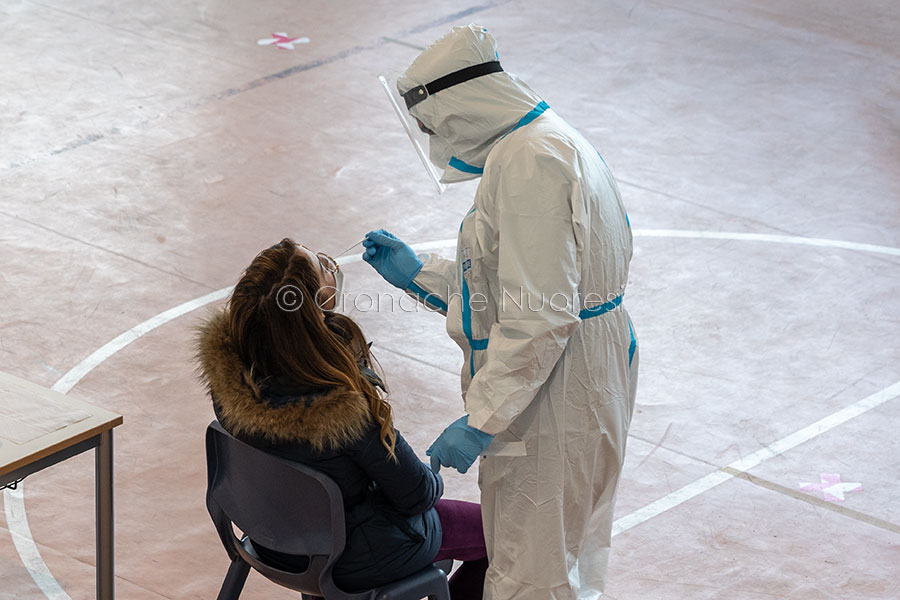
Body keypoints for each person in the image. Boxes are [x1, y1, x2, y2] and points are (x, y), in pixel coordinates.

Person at [362, 24, 639, 600]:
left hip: (556, 388)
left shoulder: (529, 163)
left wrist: (481, 419)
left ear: (460, 107)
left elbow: (540, 315)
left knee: (531, 565)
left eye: (434, 124)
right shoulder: (544, 142)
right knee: (561, 550)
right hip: (580, 368)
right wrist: (419, 274)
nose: (438, 139)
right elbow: (519, 282)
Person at [195, 238, 488, 599]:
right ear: (315, 308)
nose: (329, 263)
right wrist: (432, 475)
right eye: (320, 266)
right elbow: (416, 495)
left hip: (276, 538)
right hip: (354, 553)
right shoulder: (342, 413)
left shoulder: (231, 384)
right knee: (502, 531)